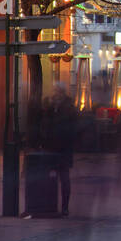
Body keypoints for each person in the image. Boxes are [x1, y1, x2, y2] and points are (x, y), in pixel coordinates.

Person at [41, 84, 77, 217]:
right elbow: (45, 124)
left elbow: (71, 127)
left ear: (62, 93)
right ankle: (52, 205)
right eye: (54, 91)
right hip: (51, 148)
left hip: (63, 148)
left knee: (64, 178)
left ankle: (64, 207)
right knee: (52, 178)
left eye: (57, 91)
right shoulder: (50, 107)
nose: (55, 94)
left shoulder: (68, 108)